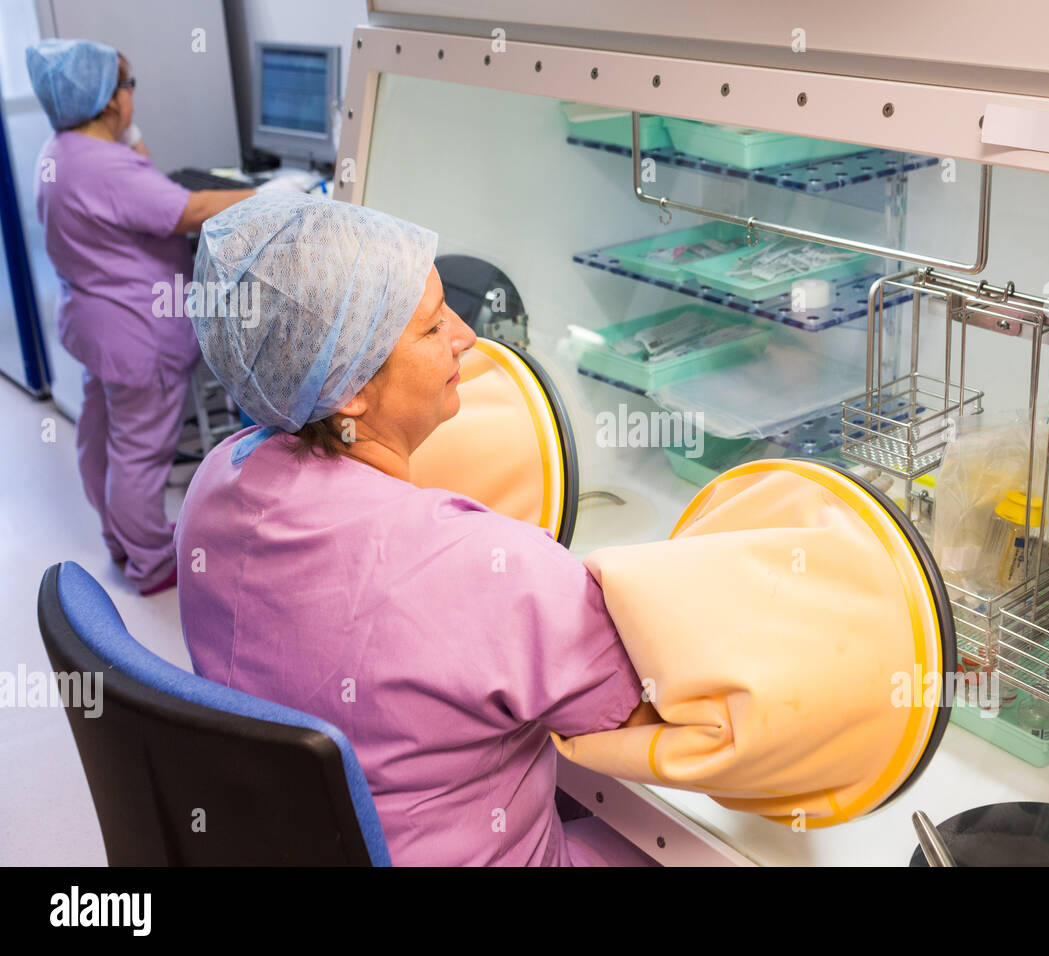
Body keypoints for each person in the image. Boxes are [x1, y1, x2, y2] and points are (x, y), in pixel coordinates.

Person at [175, 192, 661, 865]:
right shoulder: (496, 570)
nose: (466, 335)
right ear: (349, 390)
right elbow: (652, 719)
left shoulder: (211, 488)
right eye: (434, 328)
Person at [26, 39, 259, 594]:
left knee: (101, 433)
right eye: (130, 88)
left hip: (94, 326)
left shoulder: (62, 151)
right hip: (137, 333)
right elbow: (185, 211)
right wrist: (272, 194)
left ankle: (121, 537)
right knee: (141, 450)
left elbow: (143, 185)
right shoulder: (103, 165)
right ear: (108, 101)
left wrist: (125, 133)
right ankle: (153, 561)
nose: (136, 99)